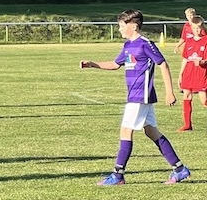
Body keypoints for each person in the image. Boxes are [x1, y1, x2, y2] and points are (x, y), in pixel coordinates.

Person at [80, 9, 191, 186]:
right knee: (151, 131)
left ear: (133, 26)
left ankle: (118, 175)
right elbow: (115, 64)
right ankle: (179, 169)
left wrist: (169, 92)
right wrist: (93, 64)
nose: (119, 29)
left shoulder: (145, 44)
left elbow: (163, 64)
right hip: (135, 95)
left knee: (126, 131)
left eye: (121, 26)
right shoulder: (127, 45)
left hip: (141, 95)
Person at [177, 14, 207, 132]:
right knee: (187, 95)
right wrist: (181, 74)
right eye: (194, 28)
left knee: (203, 100)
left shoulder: (206, 40)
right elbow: (185, 58)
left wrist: (202, 62)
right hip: (189, 72)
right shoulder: (189, 41)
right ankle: (187, 125)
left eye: (198, 28)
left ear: (202, 27)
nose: (196, 30)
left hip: (201, 72)